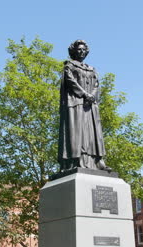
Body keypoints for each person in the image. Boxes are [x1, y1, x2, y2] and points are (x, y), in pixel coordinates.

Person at [58, 40, 111, 172]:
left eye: (83, 50)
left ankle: (97, 161)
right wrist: (84, 94)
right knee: (77, 132)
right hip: (76, 103)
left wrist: (92, 95)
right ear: (73, 51)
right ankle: (76, 160)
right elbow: (71, 82)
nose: (81, 52)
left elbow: (97, 84)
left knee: (93, 133)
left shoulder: (91, 69)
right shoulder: (69, 66)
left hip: (90, 105)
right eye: (79, 49)